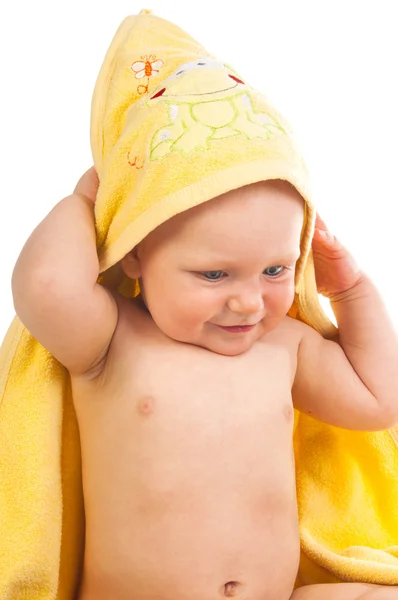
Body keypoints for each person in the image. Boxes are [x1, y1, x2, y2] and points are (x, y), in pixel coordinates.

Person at [10, 163, 398, 600]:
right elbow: (46, 285)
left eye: (275, 270)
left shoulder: (287, 346)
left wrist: (350, 290)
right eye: (214, 274)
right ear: (135, 253)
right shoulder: (110, 339)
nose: (249, 302)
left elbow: (377, 399)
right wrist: (86, 202)